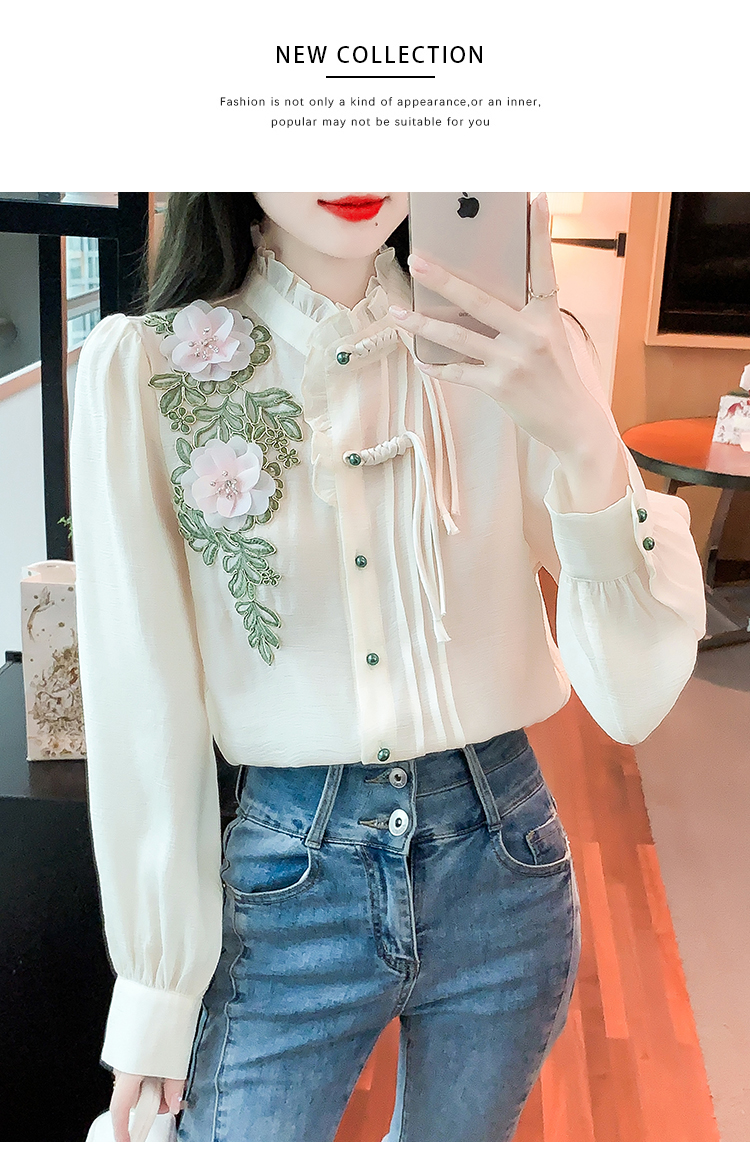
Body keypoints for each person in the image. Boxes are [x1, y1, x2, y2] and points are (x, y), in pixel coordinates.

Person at [69, 192, 706, 1143]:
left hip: (504, 866)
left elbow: (631, 696)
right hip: (287, 884)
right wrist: (155, 991)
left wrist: (582, 435)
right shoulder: (148, 371)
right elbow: (141, 702)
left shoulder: (511, 348)